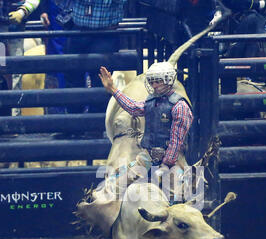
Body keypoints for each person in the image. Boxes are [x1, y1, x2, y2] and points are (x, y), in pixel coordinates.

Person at [99, 62, 194, 203]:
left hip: (172, 160)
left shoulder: (180, 107)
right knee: (117, 187)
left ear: (168, 80)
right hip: (147, 156)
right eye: (152, 82)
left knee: (176, 198)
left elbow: (176, 141)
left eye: (158, 81)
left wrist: (166, 164)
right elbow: (132, 107)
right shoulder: (152, 101)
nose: (154, 85)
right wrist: (113, 89)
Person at [64, 0, 127, 114]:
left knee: (100, 79)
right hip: (78, 29)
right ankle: (73, 124)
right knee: (72, 76)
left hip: (106, 33)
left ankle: (95, 126)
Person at [0, 0, 41, 115]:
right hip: (6, 28)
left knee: (14, 73)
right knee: (5, 71)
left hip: (14, 27)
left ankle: (14, 119)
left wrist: (23, 11)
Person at [40, 0, 67, 113]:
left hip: (77, 21)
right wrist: (43, 10)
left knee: (77, 66)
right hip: (55, 21)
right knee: (56, 67)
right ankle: (57, 113)